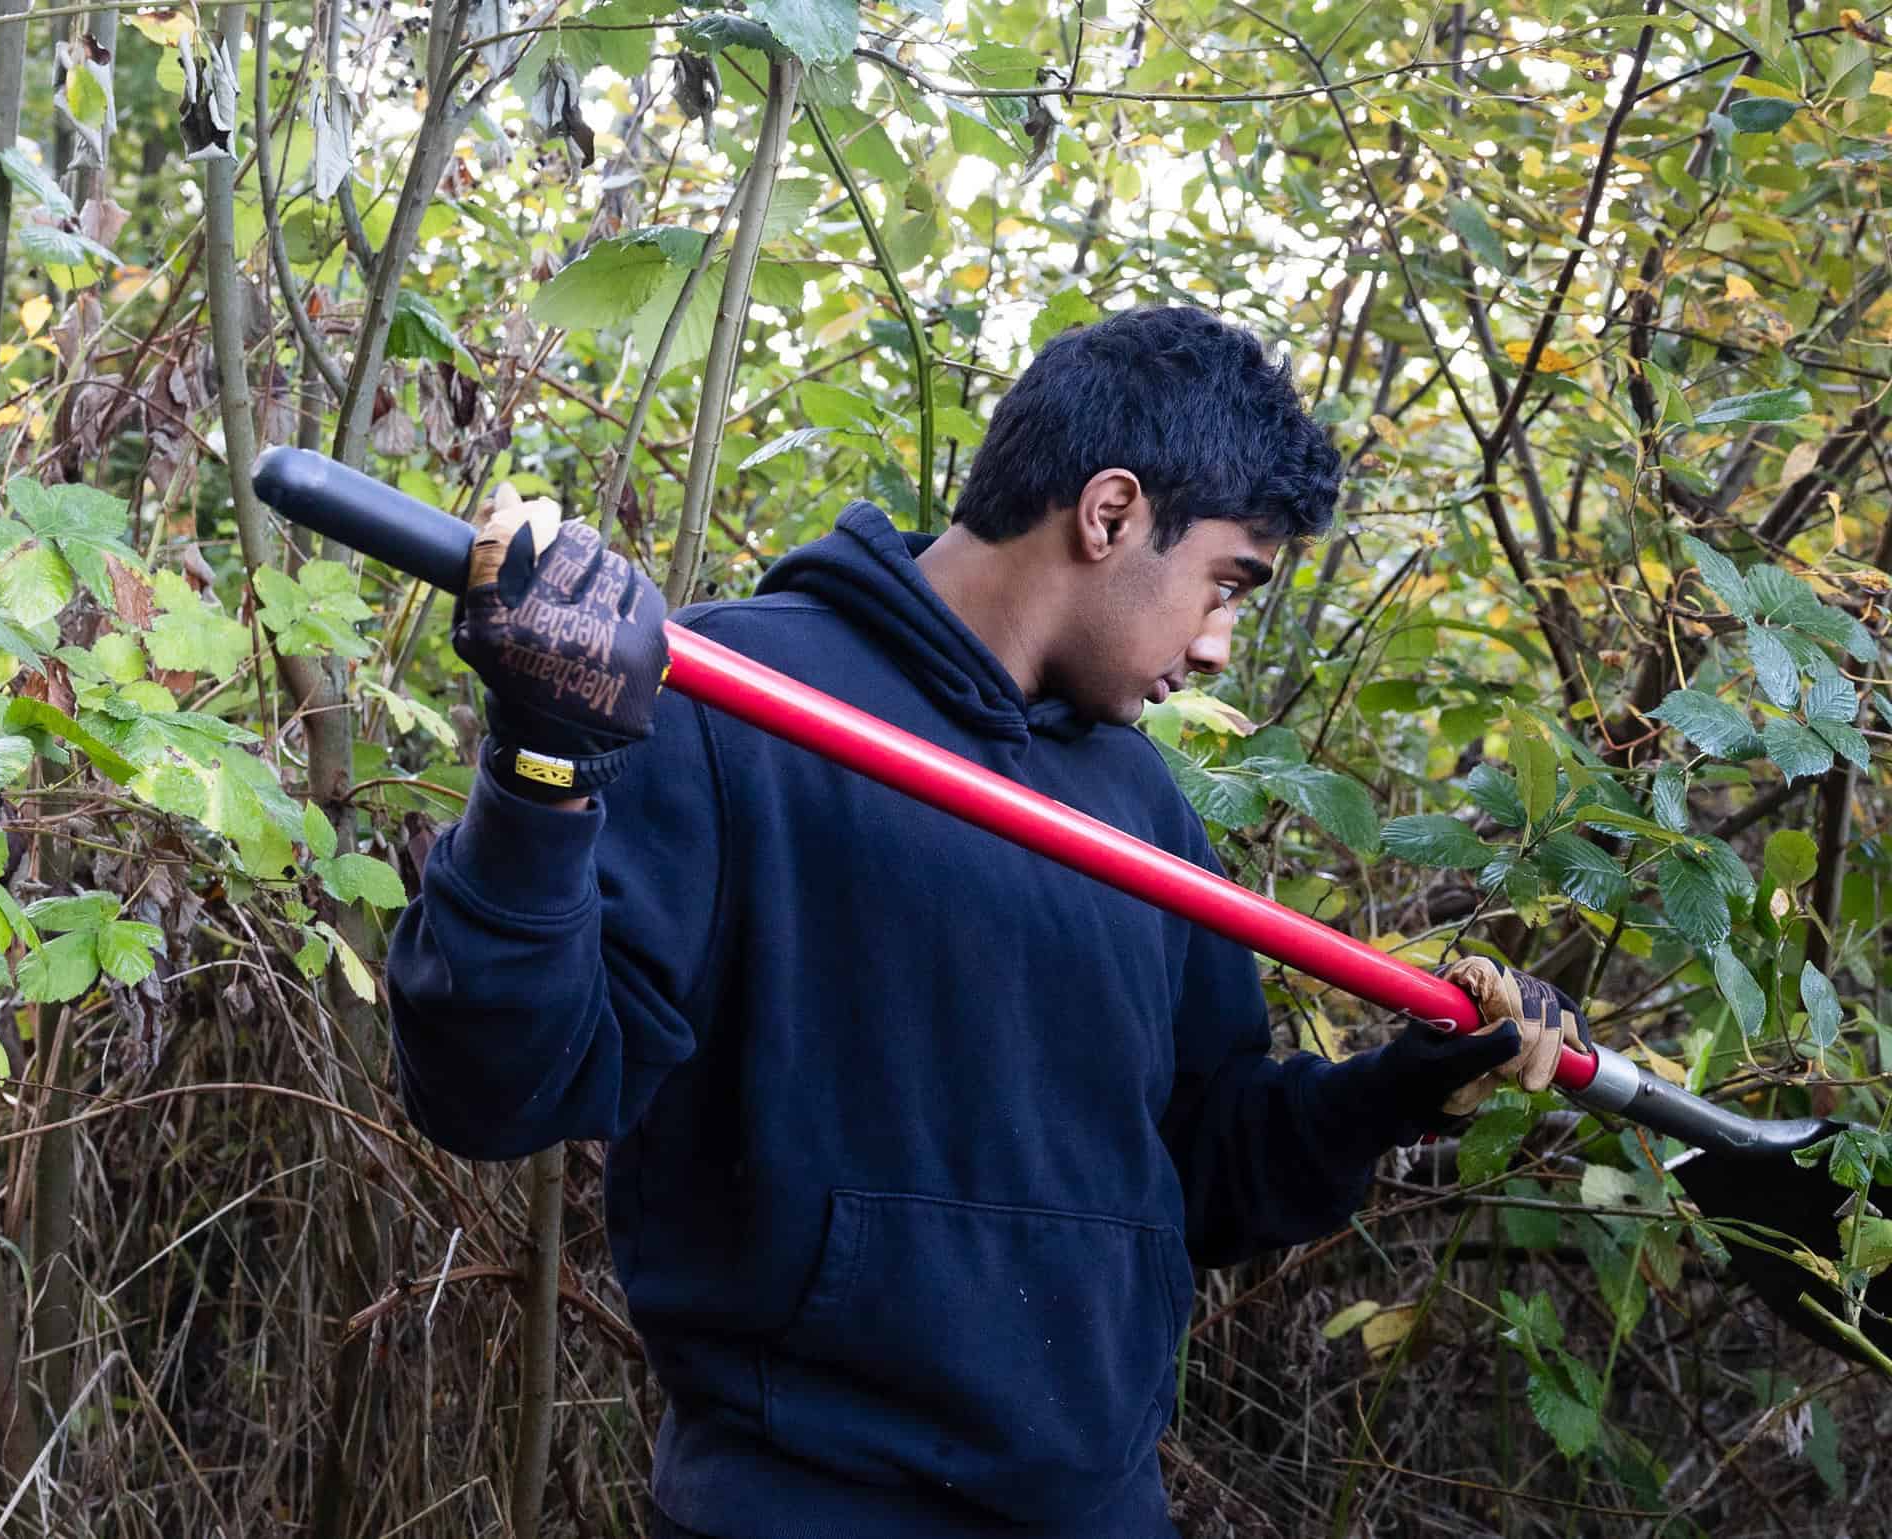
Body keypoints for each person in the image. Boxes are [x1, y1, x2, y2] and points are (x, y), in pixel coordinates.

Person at [385, 305, 1587, 1539]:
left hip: (1106, 1510)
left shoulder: (1141, 805)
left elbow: (1202, 1171)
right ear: (1110, 514)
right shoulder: (727, 705)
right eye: (1227, 584)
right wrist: (542, 765)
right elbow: (499, 1090)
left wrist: (1399, 1092)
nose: (1220, 648)